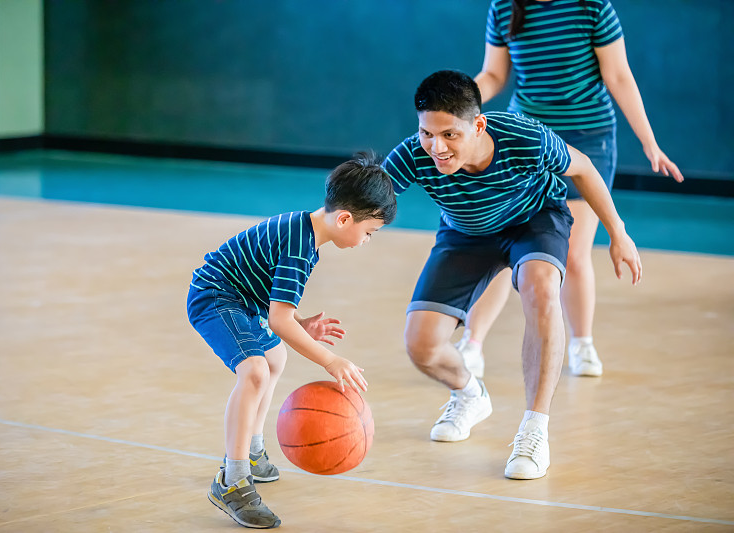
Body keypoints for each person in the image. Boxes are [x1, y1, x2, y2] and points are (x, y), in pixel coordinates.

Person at [382, 69, 641, 479]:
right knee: (421, 345)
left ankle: (535, 429)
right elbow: (366, 198)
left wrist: (618, 232)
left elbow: (585, 168)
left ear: (478, 124)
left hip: (534, 221)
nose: (437, 147)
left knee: (540, 290)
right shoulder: (415, 154)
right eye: (427, 133)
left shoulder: (526, 137)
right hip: (466, 232)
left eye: (450, 134)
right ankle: (469, 396)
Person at [456, 0, 683, 379]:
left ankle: (582, 343)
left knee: (573, 254)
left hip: (587, 139)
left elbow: (619, 76)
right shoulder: (504, 7)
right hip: (524, 139)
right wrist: (457, 105)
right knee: (502, 244)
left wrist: (649, 141)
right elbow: (494, 74)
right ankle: (472, 344)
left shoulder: (593, 7)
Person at [187, 154, 396, 528]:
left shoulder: (305, 231)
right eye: (369, 232)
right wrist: (330, 360)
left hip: (243, 299)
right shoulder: (302, 246)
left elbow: (279, 307)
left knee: (275, 358)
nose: (366, 241)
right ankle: (232, 480)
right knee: (253, 370)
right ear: (345, 218)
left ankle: (250, 450)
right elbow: (278, 319)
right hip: (216, 296)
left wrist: (302, 322)